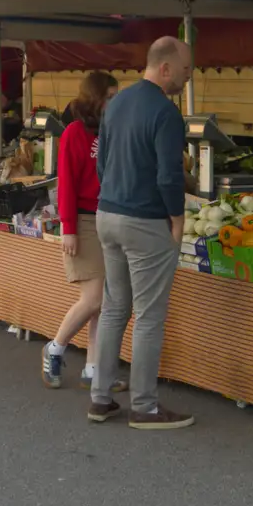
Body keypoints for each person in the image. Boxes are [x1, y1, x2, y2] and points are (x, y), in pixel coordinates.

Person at [89, 36, 195, 430]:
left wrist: (113, 194)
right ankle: (145, 407)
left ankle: (100, 398)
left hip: (107, 215)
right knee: (149, 316)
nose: (186, 80)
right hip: (145, 222)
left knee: (115, 307)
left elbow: (102, 161)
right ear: (165, 68)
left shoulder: (115, 104)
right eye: (185, 72)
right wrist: (177, 218)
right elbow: (169, 176)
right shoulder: (166, 114)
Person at [42, 71, 124, 390]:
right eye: (111, 97)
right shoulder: (75, 132)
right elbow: (67, 183)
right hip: (84, 221)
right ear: (96, 98)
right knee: (93, 298)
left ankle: (94, 368)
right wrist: (69, 228)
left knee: (104, 301)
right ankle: (55, 347)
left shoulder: (114, 130)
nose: (116, 102)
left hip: (110, 218)